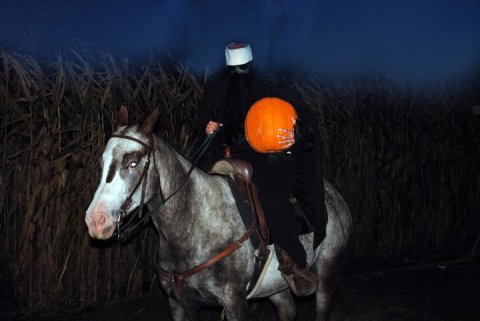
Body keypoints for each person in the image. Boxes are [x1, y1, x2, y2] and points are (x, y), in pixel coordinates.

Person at [197, 42, 327, 296]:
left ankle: (293, 260)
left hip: (272, 156)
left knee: (268, 193)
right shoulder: (217, 86)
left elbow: (303, 119)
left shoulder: (269, 84)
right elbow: (208, 121)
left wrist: (297, 135)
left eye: (244, 70)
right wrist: (210, 128)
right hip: (233, 154)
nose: (239, 76)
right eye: (235, 71)